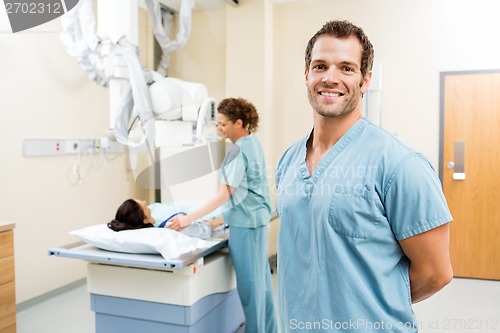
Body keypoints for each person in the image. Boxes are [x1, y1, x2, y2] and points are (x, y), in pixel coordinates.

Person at [275, 20, 453, 332]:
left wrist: (367, 305)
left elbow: (436, 273)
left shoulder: (400, 164)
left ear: (365, 80)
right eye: (320, 66)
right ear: (306, 75)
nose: (330, 78)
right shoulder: (288, 161)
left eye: (346, 68)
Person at [168, 97, 278, 333]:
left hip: (246, 225)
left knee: (250, 288)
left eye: (222, 124)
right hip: (257, 221)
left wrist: (188, 219)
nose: (219, 128)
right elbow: (246, 191)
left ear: (239, 122)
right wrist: (219, 220)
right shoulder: (253, 143)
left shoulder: (237, 151)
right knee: (263, 286)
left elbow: (223, 195)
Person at [107, 198, 224, 240]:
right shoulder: (173, 226)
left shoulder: (153, 213)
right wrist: (223, 219)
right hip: (216, 212)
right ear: (144, 220)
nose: (146, 202)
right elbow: (206, 228)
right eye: (145, 206)